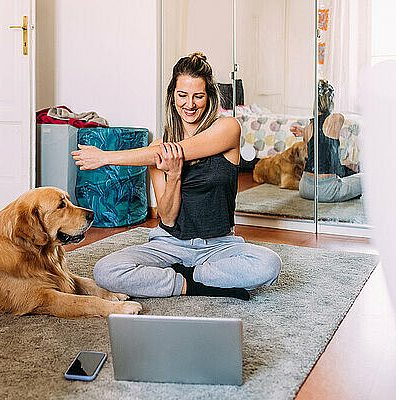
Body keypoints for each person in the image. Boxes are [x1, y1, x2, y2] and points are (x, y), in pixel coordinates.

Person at [71, 52, 281, 300]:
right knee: (106, 271)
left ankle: (186, 276)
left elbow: (175, 151)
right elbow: (167, 219)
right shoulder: (157, 150)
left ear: (209, 97)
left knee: (269, 264)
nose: (189, 104)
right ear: (172, 96)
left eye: (198, 96)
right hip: (169, 244)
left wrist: (106, 157)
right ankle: (193, 284)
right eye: (182, 95)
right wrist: (174, 175)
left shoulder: (227, 128)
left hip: (220, 245)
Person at [290, 79, 362, 203]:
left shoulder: (308, 127)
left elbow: (315, 152)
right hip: (326, 190)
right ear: (331, 101)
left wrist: (303, 131)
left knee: (346, 176)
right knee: (366, 179)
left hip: (305, 188)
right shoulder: (336, 118)